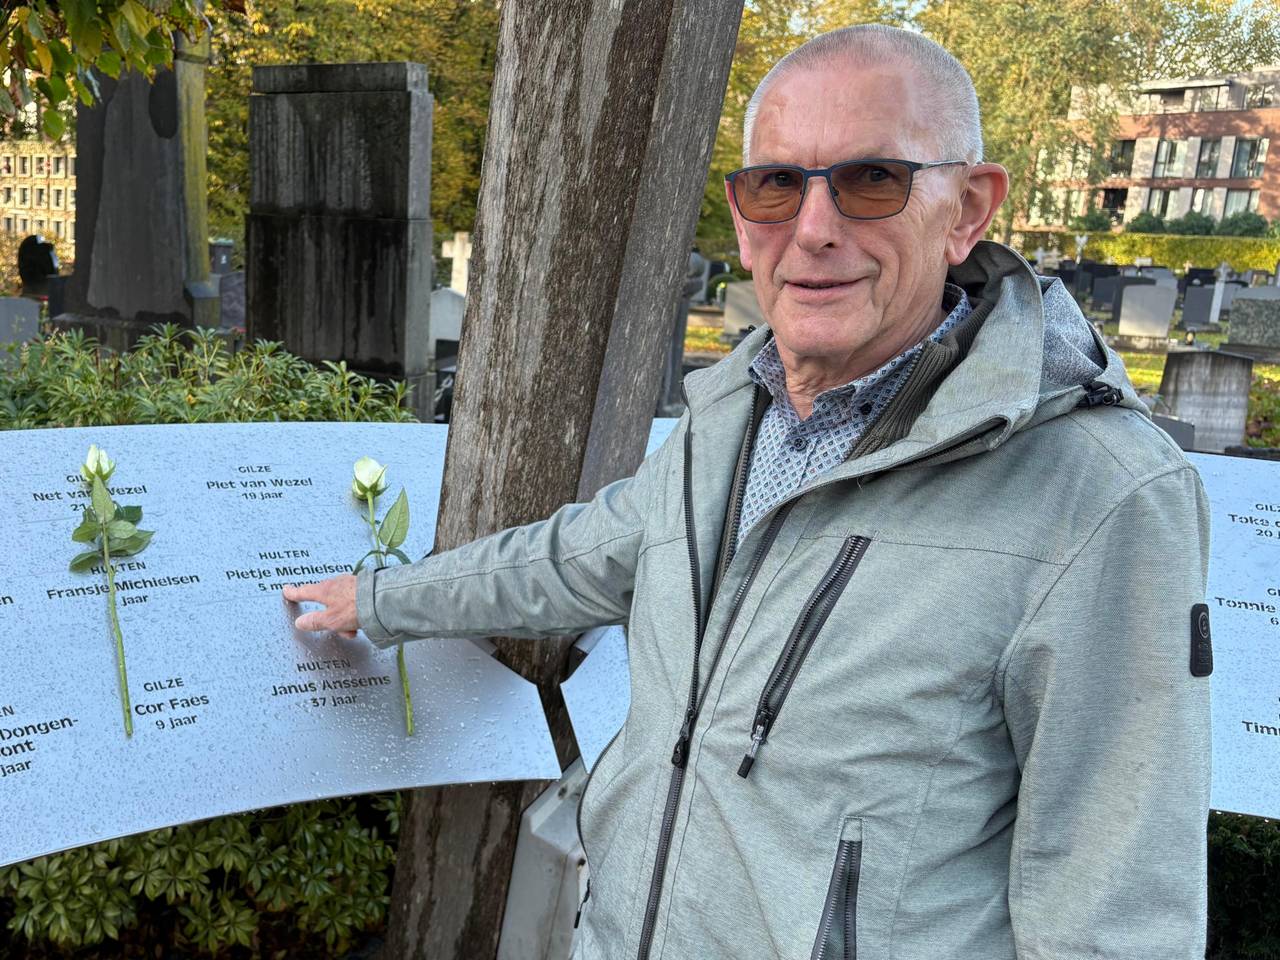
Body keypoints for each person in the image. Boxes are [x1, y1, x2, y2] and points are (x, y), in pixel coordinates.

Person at [284, 24, 1211, 960]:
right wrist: (384, 599)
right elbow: (583, 555)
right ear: (739, 214)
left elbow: (1114, 914)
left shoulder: (1102, 497)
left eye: (871, 180)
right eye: (776, 184)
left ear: (967, 207)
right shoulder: (731, 411)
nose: (812, 229)